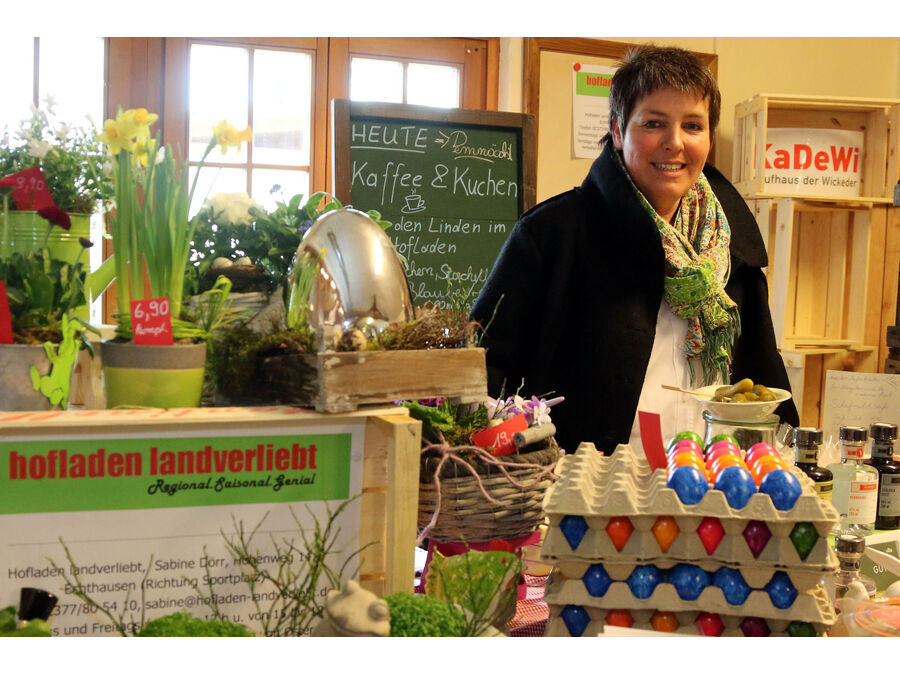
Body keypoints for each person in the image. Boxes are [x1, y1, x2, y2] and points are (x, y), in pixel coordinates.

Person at [471, 44, 799, 456]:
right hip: (583, 480)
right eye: (653, 123)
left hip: (712, 475)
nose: (674, 142)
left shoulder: (732, 244)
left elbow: (763, 378)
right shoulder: (552, 234)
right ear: (617, 130)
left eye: (693, 126)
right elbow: (485, 373)